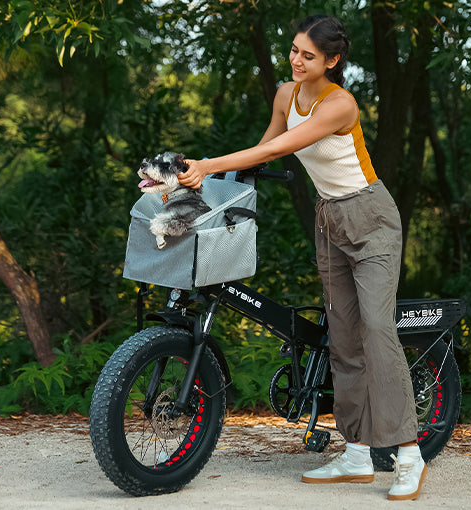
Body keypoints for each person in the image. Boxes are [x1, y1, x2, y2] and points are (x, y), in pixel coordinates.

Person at [178, 15, 425, 501]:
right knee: (344, 339)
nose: (295, 60)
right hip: (330, 220)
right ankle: (356, 452)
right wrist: (210, 181)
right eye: (292, 49)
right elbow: (265, 150)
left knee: (377, 331)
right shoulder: (285, 95)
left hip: (371, 219)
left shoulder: (340, 105)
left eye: (308, 55)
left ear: (331, 61)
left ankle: (408, 454)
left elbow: (289, 144)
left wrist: (209, 164)